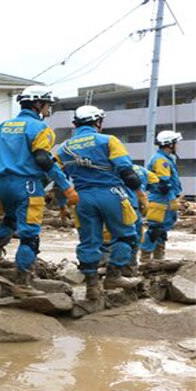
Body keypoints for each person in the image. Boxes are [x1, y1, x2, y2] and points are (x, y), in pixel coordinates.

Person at [0, 86, 79, 297]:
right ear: (38, 104)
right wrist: (67, 187)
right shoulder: (39, 128)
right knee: (29, 235)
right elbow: (43, 159)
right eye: (48, 105)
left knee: (9, 221)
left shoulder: (2, 127)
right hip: (26, 185)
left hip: (2, 184)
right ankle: (23, 283)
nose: (49, 109)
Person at [55, 105, 143, 300]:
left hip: (82, 198)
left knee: (89, 242)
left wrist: (62, 205)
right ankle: (114, 275)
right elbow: (127, 172)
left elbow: (58, 179)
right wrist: (139, 192)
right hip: (112, 194)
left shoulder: (63, 148)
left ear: (76, 124)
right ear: (98, 122)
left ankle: (92, 287)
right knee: (126, 237)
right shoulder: (108, 140)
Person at [140, 130, 183, 262]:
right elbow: (164, 183)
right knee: (155, 230)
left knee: (161, 230)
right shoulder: (160, 160)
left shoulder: (165, 158)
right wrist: (171, 197)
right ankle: (145, 260)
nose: (177, 145)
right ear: (169, 145)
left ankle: (159, 259)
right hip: (161, 200)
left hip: (165, 199)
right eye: (175, 143)